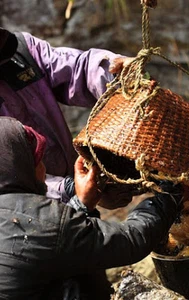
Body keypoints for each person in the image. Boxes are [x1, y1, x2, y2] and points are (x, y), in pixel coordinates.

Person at [0, 116, 183, 299]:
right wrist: (172, 193)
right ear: (22, 167)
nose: (44, 168)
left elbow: (56, 246)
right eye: (38, 159)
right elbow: (132, 239)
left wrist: (81, 204)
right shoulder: (41, 221)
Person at [0, 27, 128, 202]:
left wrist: (116, 74)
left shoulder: (22, 50)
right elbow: (9, 183)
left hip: (73, 186)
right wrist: (71, 189)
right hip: (24, 212)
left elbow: (77, 69)